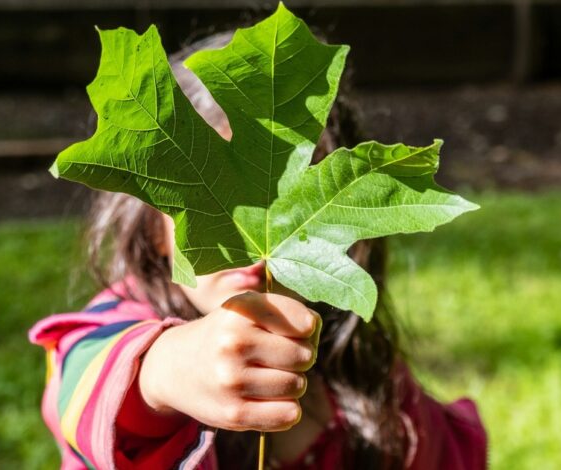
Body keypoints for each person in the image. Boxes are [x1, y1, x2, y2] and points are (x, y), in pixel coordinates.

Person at [29, 32, 487, 470]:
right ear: (153, 231)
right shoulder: (115, 327)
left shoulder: (364, 374)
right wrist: (168, 372)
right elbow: (83, 384)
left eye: (285, 207)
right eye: (216, 207)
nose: (251, 249)